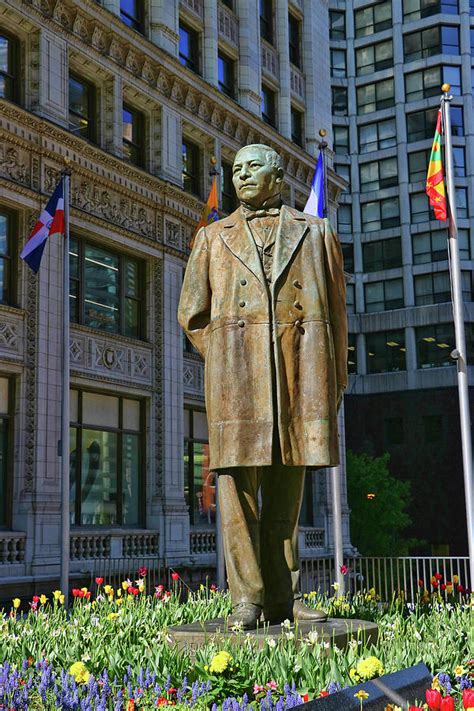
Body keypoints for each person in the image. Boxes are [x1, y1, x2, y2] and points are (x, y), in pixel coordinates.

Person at [178, 144, 347, 628]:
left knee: (287, 486)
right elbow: (192, 314)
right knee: (234, 486)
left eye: (253, 167)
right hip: (237, 379)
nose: (242, 175)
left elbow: (336, 312)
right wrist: (230, 353)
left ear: (277, 175)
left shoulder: (315, 233)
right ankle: (246, 598)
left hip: (299, 374)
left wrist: (335, 378)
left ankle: (282, 596)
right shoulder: (212, 237)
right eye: (235, 170)